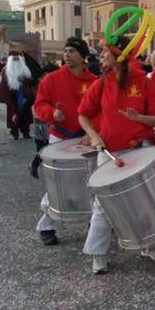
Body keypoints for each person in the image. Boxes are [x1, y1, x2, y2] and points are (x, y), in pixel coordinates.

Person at [78, 36, 155, 274]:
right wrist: (94, 135)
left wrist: (139, 118)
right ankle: (98, 253)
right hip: (109, 150)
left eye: (105, 52)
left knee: (145, 200)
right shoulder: (101, 84)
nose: (100, 56)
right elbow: (83, 115)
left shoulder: (144, 82)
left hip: (140, 150)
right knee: (103, 205)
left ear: (118, 56)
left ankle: (150, 244)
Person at [31, 38, 96, 245]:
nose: (67, 55)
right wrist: (52, 113)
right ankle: (47, 226)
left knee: (90, 183)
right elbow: (39, 105)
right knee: (59, 185)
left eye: (72, 51)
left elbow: (101, 111)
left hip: (85, 139)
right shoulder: (51, 80)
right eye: (65, 51)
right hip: (59, 137)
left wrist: (93, 132)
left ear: (83, 56)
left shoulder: (94, 82)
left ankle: (94, 223)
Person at [0, 50, 36, 140]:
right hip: (12, 96)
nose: (16, 61)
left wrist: (24, 80)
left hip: (23, 95)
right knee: (13, 114)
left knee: (25, 114)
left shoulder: (25, 70)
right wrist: (6, 97)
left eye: (17, 59)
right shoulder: (5, 71)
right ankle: (14, 132)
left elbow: (30, 81)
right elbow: (3, 85)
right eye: (14, 59)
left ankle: (26, 132)